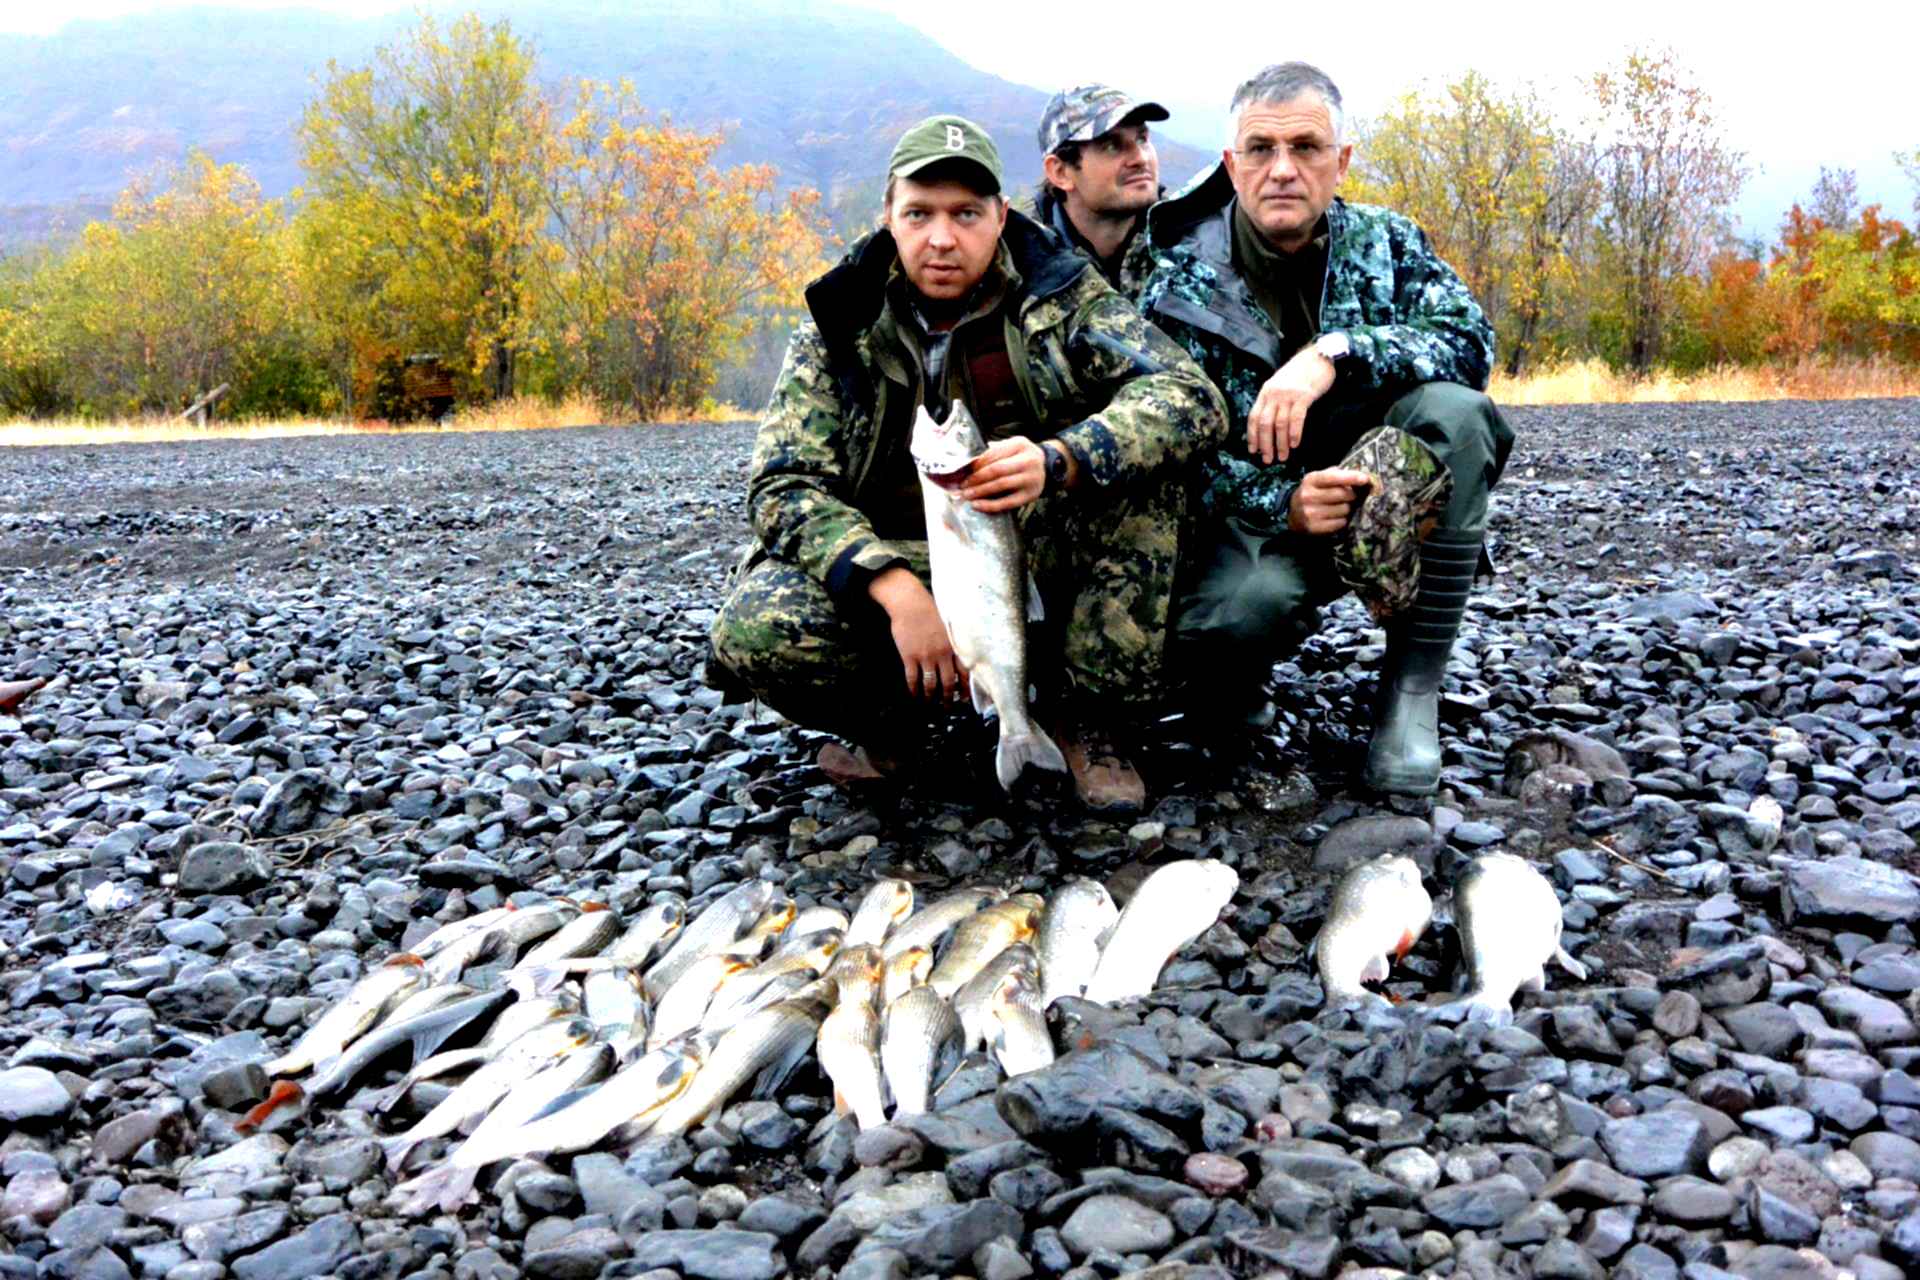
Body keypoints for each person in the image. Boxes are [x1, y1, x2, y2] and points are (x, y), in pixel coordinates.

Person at [709, 115, 1226, 812]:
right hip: (906, 559)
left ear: (1000, 216)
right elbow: (782, 484)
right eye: (919, 214)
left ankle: (1089, 719)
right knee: (757, 625)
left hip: (1043, 556)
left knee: (1146, 474)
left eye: (966, 214)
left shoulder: (1063, 294)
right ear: (888, 215)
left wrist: (1064, 458)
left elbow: (1190, 399)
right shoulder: (842, 319)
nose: (942, 238)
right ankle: (900, 730)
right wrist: (891, 588)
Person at [1138, 61, 1514, 797]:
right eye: (1261, 150)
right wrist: (1284, 504)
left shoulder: (1388, 243)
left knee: (1457, 414)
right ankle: (1233, 689)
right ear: (1231, 165)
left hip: (1376, 498)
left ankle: (1409, 696)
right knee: (1233, 618)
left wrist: (1334, 354)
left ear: (1341, 161)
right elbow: (1169, 444)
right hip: (1254, 517)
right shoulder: (1172, 283)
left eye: (1306, 148)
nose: (1283, 170)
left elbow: (1471, 343)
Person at [1025, 84, 1168, 298]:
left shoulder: (1189, 242)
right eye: (1112, 146)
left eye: (1142, 139)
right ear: (1061, 172)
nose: (1141, 158)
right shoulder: (1020, 262)